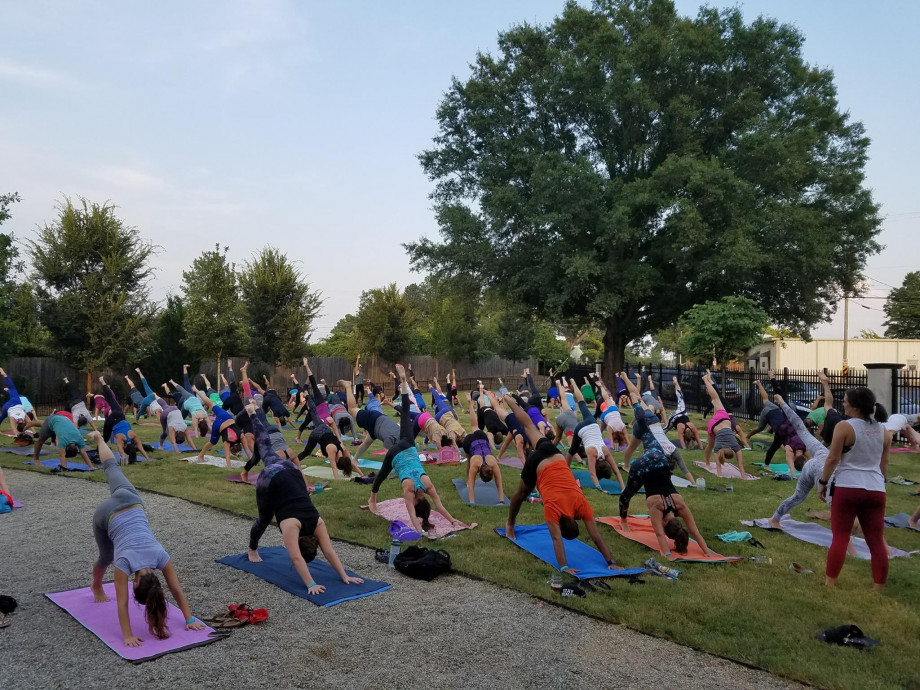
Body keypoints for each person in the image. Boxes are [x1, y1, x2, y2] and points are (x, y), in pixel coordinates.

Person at [88, 433, 205, 646]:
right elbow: (122, 603)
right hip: (106, 514)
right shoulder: (124, 563)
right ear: (134, 584)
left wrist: (190, 618)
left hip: (132, 500)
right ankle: (96, 585)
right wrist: (127, 635)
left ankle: (98, 438)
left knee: (112, 468)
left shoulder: (161, 555)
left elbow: (176, 590)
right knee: (106, 557)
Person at [245, 404, 365, 594]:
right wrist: (311, 584)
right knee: (265, 518)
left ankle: (253, 415)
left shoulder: (318, 523)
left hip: (292, 473)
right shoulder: (291, 527)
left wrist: (345, 576)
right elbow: (296, 558)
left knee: (267, 451)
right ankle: (252, 550)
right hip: (270, 478)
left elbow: (328, 552)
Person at [503, 394, 624, 574]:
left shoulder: (582, 506)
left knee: (529, 426)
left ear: (576, 521)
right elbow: (556, 539)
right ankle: (510, 525)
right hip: (538, 463)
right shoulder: (554, 511)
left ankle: (512, 403)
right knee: (521, 494)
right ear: (560, 523)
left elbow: (596, 536)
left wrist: (611, 560)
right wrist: (564, 567)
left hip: (556, 456)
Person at [366, 365, 463, 534]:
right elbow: (412, 514)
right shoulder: (409, 490)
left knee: (405, 413)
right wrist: (421, 531)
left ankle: (404, 383)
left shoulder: (428, 485)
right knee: (381, 475)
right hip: (395, 453)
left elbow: (439, 506)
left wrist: (454, 521)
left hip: (408, 446)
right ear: (418, 503)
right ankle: (372, 498)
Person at [819, 387, 889, 591]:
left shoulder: (844, 427)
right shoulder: (883, 431)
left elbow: (833, 458)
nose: (843, 403)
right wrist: (880, 484)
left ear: (856, 406)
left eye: (846, 401)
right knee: (875, 539)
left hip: (848, 486)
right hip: (876, 489)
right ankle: (878, 587)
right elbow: (884, 463)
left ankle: (830, 582)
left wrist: (823, 483)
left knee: (840, 535)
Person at [618, 441, 713, 559]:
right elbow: (659, 534)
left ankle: (644, 426)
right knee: (625, 496)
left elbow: (694, 532)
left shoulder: (680, 505)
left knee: (648, 435)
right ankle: (623, 521)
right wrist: (667, 554)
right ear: (664, 524)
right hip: (641, 465)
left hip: (661, 459)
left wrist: (706, 550)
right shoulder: (658, 506)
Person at [618, 373, 694, 483]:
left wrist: (694, 483)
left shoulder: (674, 450)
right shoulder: (656, 454)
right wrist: (693, 484)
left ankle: (625, 378)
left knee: (636, 395)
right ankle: (625, 466)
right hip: (645, 425)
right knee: (631, 448)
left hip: (653, 421)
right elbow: (684, 470)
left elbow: (685, 470)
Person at [566, 378, 626, 490]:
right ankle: (566, 470)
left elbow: (616, 471)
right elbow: (593, 474)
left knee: (582, 404)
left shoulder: (606, 452)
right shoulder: (592, 455)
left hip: (593, 424)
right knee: (571, 451)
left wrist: (623, 488)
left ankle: (573, 382)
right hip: (581, 429)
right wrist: (600, 488)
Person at [297, 392, 361, 479]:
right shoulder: (332, 451)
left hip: (326, 429)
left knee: (314, 413)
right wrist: (337, 481)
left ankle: (308, 396)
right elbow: (334, 468)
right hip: (317, 433)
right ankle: (293, 462)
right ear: (337, 460)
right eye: (336, 461)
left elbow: (351, 464)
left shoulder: (344, 452)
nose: (335, 461)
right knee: (307, 452)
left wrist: (362, 475)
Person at [462, 392, 505, 505]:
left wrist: (473, 502)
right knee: (469, 463)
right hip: (470, 442)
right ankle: (470, 404)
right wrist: (501, 501)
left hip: (482, 439)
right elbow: (498, 484)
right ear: (479, 473)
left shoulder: (492, 463)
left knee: (475, 426)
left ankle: (470, 404)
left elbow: (472, 485)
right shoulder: (479, 464)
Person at [701, 370, 746, 477]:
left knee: (716, 398)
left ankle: (706, 380)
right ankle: (707, 379)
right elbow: (719, 466)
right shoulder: (718, 448)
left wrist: (744, 476)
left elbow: (741, 465)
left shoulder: (735, 446)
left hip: (724, 419)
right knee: (710, 444)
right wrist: (743, 478)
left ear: (732, 451)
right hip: (713, 426)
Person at [99, 378, 151, 464]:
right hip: (112, 420)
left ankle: (103, 382)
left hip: (120, 415)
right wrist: (126, 461)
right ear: (125, 446)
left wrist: (147, 458)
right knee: (104, 439)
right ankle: (98, 452)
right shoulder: (120, 439)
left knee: (112, 399)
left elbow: (141, 448)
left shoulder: (133, 436)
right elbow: (122, 454)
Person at [663, 376, 701, 449]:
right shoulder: (681, 428)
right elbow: (682, 442)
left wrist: (701, 447)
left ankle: (676, 383)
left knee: (680, 397)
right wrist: (700, 448)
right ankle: (676, 383)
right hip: (673, 418)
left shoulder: (692, 426)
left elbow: (697, 440)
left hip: (682, 412)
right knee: (664, 430)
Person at [0, 367, 30, 434]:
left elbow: (14, 428)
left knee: (13, 390)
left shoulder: (16, 417)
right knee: (2, 416)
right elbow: (30, 424)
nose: (20, 420)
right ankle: (5, 377)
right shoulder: (23, 416)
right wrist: (35, 433)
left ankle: (4, 375)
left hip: (12, 404)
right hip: (7, 407)